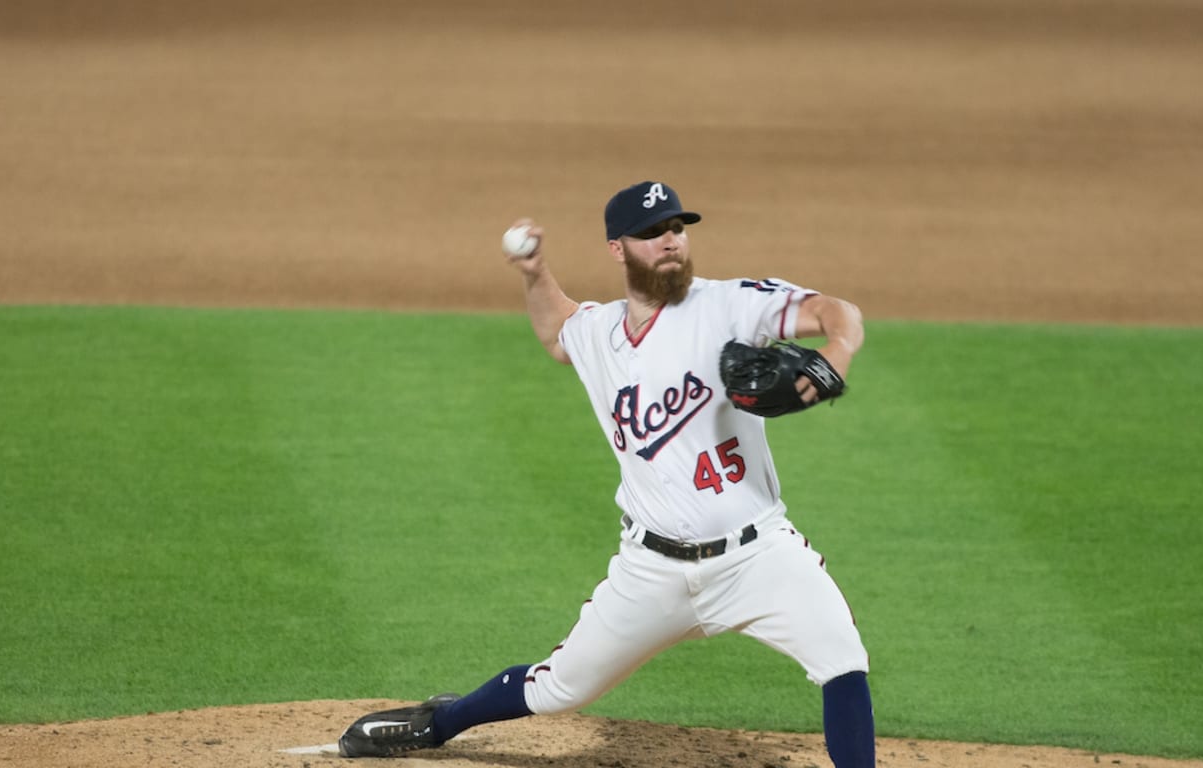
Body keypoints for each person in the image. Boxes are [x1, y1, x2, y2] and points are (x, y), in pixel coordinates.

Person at [339, 181, 874, 767]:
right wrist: (536, 274)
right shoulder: (600, 333)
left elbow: (835, 311)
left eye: (676, 228)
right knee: (557, 688)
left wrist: (838, 352)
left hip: (757, 555)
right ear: (618, 249)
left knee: (842, 658)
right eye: (650, 233)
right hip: (652, 570)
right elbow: (556, 331)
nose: (669, 241)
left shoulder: (731, 305)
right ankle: (436, 723)